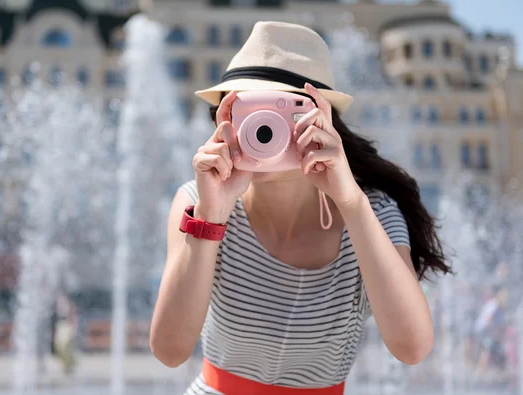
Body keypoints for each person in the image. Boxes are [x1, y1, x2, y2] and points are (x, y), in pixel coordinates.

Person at [150, 21, 451, 394]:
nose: (261, 130)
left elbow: (412, 347)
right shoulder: (198, 201)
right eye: (244, 111)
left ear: (322, 122)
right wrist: (212, 217)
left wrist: (351, 202)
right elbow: (169, 350)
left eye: (279, 111)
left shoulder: (371, 209)